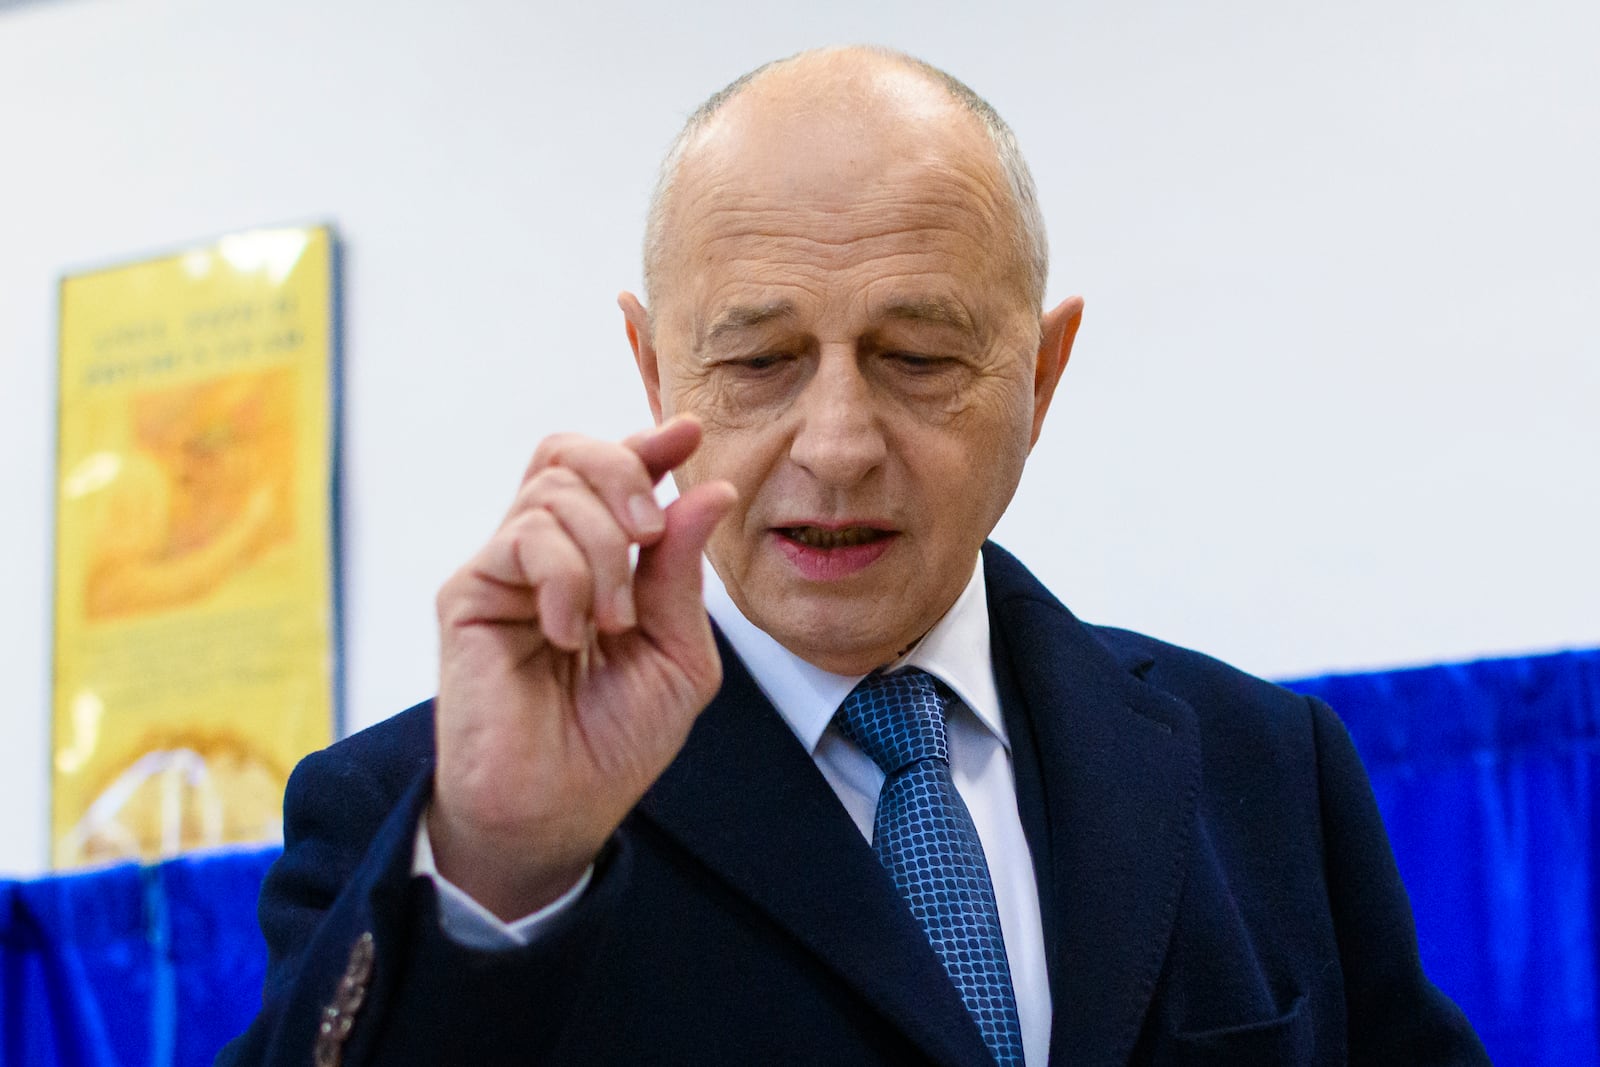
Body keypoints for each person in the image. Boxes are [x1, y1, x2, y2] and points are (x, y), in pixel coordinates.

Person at [221, 47, 1488, 1066]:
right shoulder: (437, 819)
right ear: (653, 367)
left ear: (1041, 376)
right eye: (760, 361)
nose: (835, 445)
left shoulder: (1262, 769)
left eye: (920, 359)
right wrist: (498, 873)